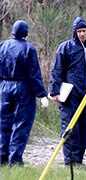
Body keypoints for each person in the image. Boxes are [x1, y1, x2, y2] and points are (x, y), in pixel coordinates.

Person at [49, 17, 86, 169]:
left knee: (84, 127)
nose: (81, 34)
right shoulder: (65, 48)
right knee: (70, 127)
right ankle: (70, 161)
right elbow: (57, 70)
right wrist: (54, 91)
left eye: (83, 31)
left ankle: (78, 161)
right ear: (74, 32)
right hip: (70, 95)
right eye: (78, 31)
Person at [0, 20, 49, 166]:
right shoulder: (28, 48)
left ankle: (2, 157)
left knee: (3, 123)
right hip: (23, 88)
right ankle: (14, 160)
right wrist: (41, 94)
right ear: (25, 32)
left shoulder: (2, 46)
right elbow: (34, 74)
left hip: (4, 87)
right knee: (21, 124)